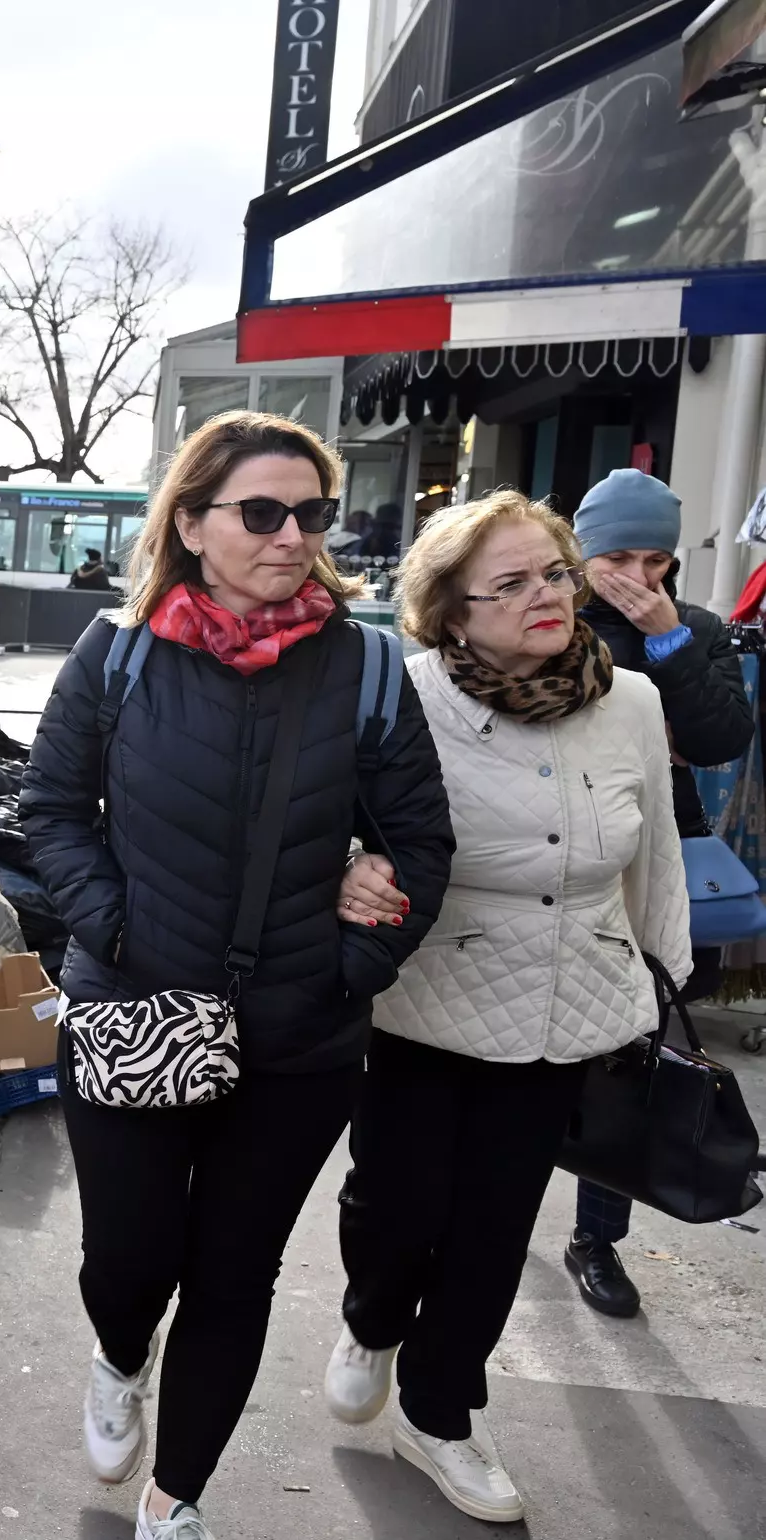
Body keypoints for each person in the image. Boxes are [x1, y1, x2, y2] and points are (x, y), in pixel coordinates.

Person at [20, 410, 454, 1540]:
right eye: (262, 512)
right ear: (192, 522)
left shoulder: (363, 665)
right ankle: (120, 1355)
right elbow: (51, 812)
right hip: (135, 1008)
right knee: (129, 1258)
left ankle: (178, 1498)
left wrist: (349, 962)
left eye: (312, 514)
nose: (291, 536)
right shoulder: (114, 654)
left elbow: (421, 840)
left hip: (301, 1036)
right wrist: (113, 928)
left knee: (233, 1271)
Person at [329, 490, 690, 1525]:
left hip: (569, 1001)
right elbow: (335, 832)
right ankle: (369, 1322)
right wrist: (349, 876)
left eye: (554, 573)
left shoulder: (630, 702)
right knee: (396, 1205)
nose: (547, 596)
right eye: (514, 582)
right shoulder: (400, 699)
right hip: (428, 991)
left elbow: (654, 858)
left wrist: (660, 996)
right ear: (450, 609)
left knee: (493, 1224)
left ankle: (439, 1412)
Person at [557, 469, 755, 1316]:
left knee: (633, 1055)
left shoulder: (693, 630)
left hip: (655, 860)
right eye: (618, 556)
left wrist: (669, 637)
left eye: (657, 559)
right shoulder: (543, 612)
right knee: (536, 1050)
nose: (637, 576)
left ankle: (595, 1238)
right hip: (555, 852)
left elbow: (717, 739)